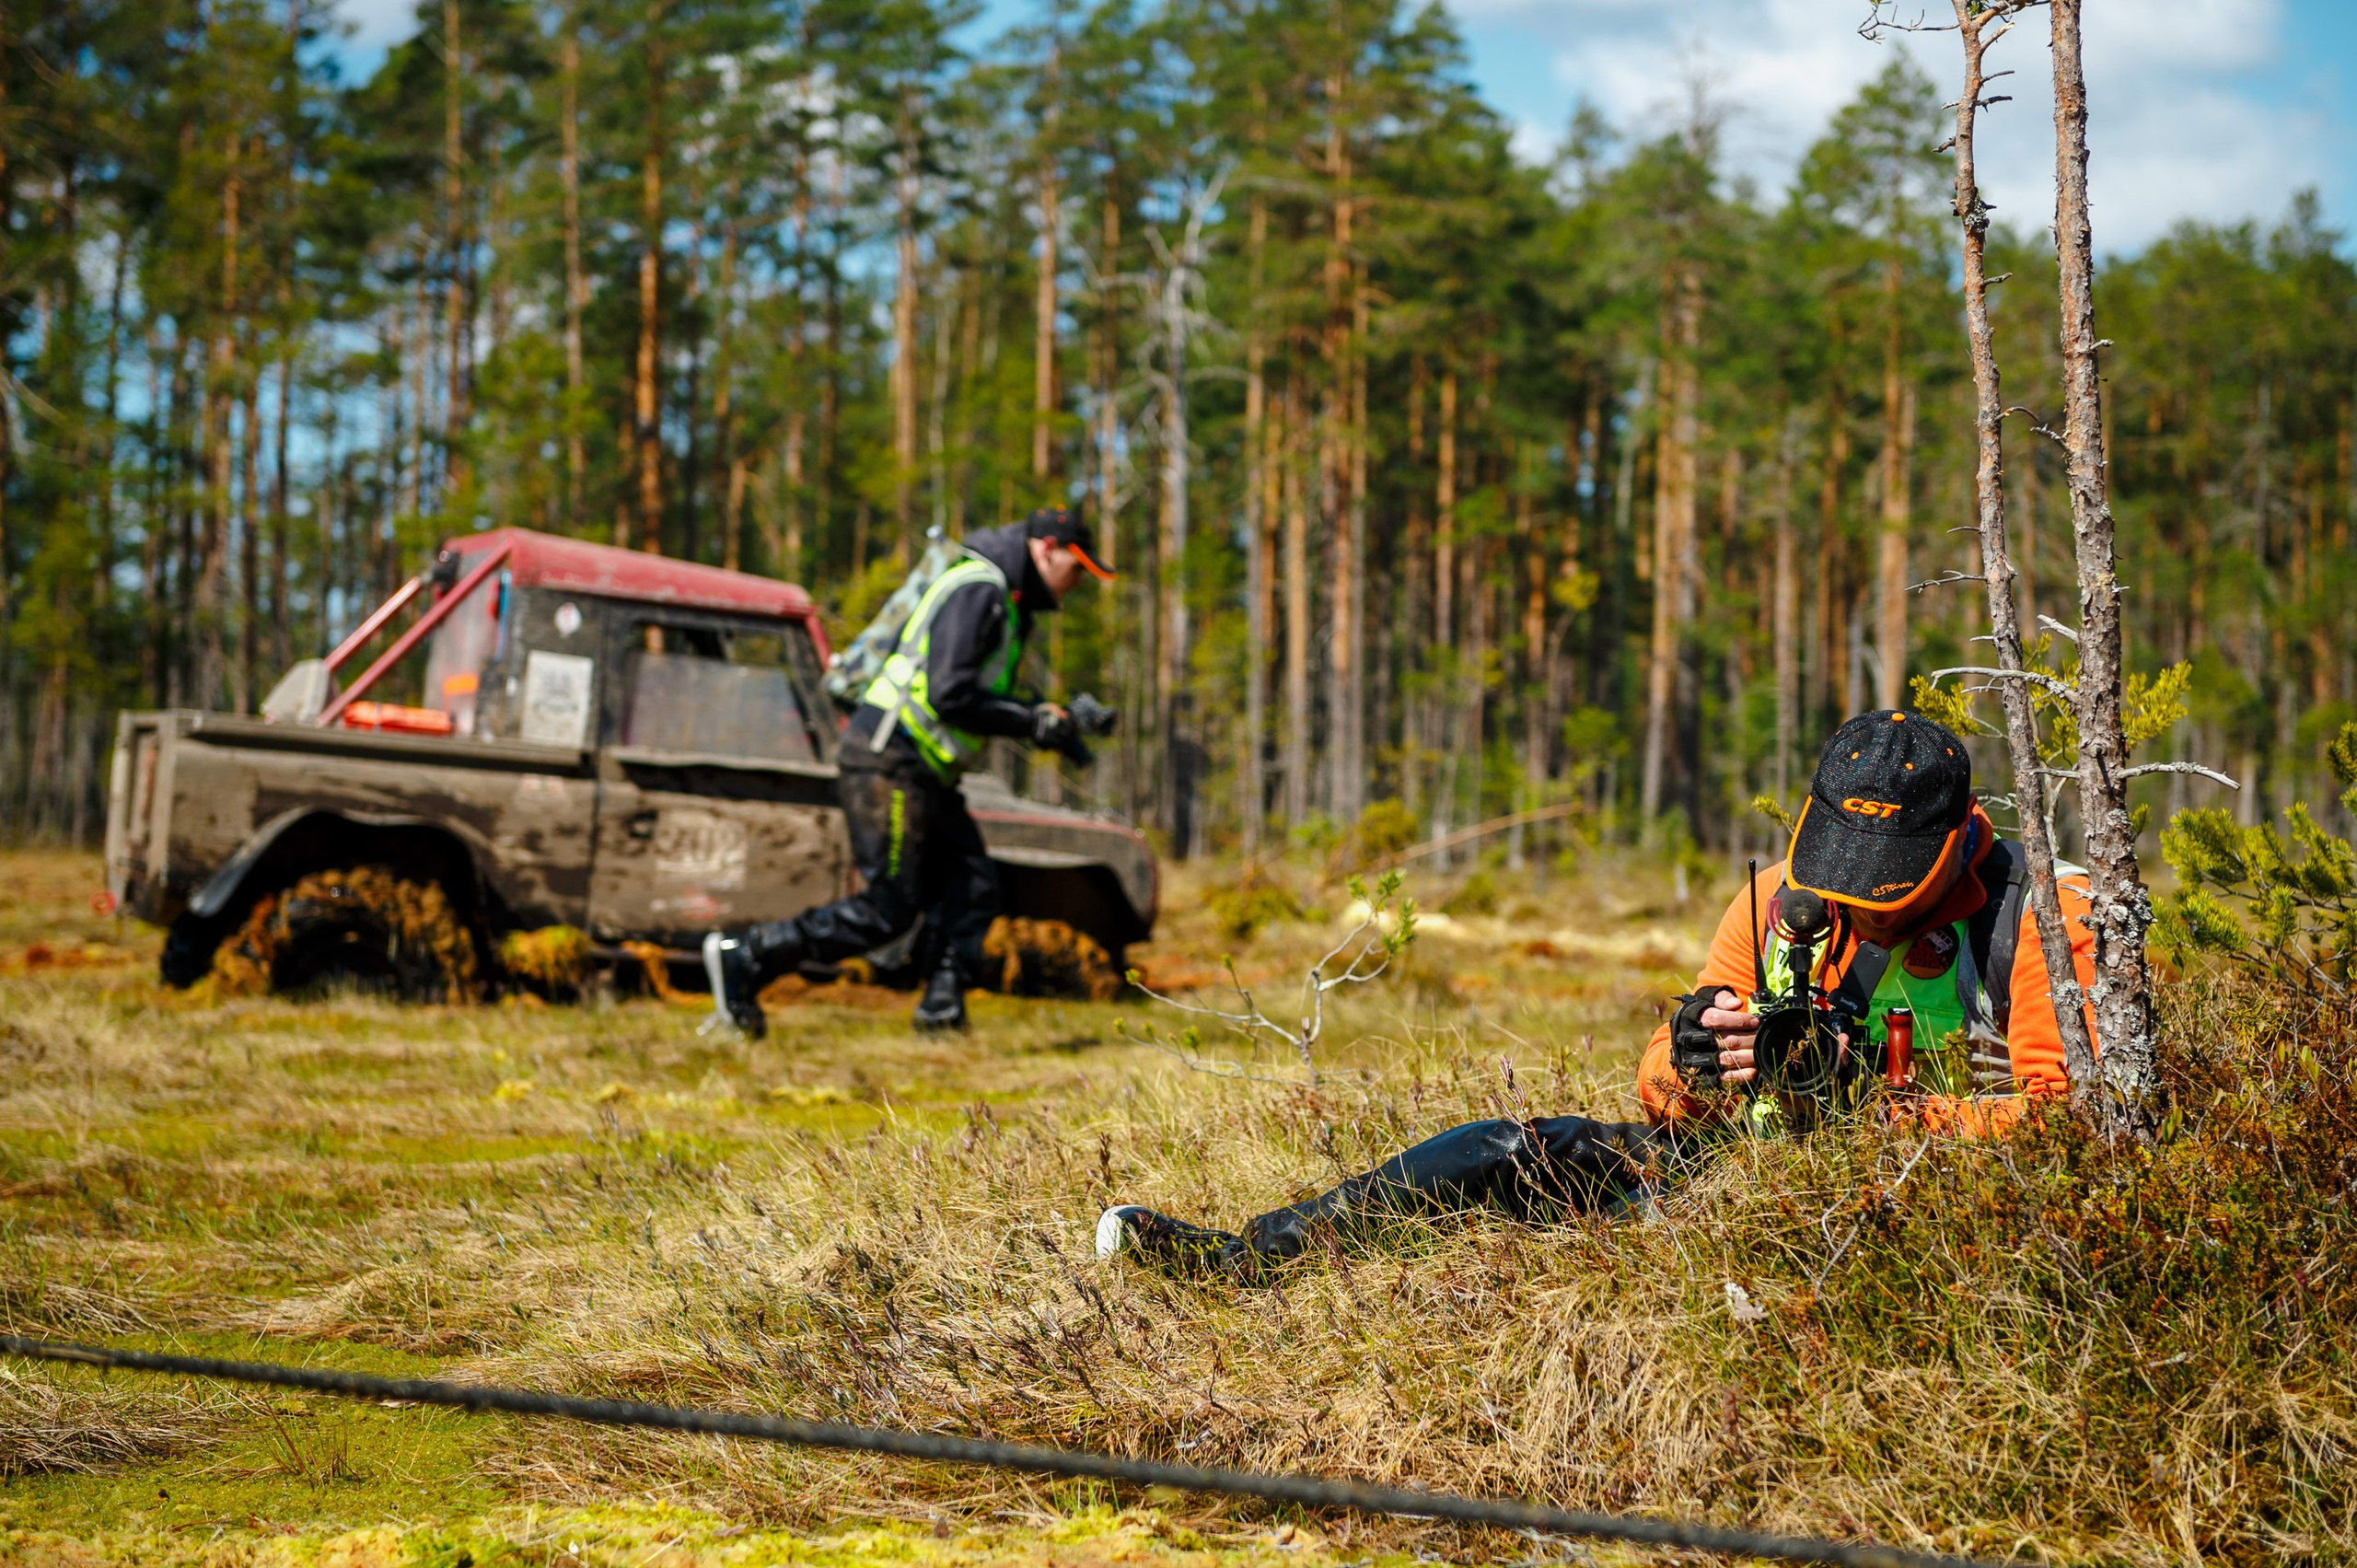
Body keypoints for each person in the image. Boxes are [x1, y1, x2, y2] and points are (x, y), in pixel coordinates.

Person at [1096, 709, 2102, 1279]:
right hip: (1742, 1170)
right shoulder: (1776, 905)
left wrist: (1880, 1111)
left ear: (1958, 834)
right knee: (1507, 1148)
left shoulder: (2043, 922)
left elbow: (2076, 1129)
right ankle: (1247, 1259)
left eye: (1888, 880)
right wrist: (1691, 1056)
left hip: (1934, 1216)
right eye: (1844, 868)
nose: (1858, 900)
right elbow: (1664, 1097)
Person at [703, 505, 1114, 1038]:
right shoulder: (980, 589)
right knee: (888, 908)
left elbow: (975, 691)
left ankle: (941, 1017)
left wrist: (1050, 717)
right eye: (1077, 568)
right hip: (890, 759)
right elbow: (950, 695)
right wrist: (1032, 722)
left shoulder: (1004, 598)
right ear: (1046, 550)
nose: (1078, 581)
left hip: (922, 767)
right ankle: (748, 955)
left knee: (971, 886)